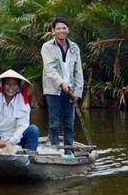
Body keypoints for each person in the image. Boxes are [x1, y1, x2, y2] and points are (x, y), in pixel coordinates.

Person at [41, 17, 84, 157]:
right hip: (53, 90)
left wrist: (77, 92)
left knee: (69, 124)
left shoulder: (74, 47)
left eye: (64, 28)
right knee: (54, 123)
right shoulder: (47, 47)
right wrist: (62, 83)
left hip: (70, 91)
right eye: (58, 28)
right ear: (53, 31)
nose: (61, 31)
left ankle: (69, 151)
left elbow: (78, 72)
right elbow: (49, 69)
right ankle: (53, 152)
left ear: (68, 30)